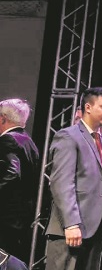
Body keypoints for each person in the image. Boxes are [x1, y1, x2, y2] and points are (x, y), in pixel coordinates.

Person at [45, 87, 102, 270]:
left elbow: (98, 183)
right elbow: (61, 183)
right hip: (70, 229)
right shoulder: (68, 136)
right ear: (88, 107)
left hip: (96, 227)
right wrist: (71, 224)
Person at [0, 98, 40, 263]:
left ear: (3, 118)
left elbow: (12, 173)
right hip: (21, 219)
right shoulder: (29, 143)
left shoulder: (7, 140)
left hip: (4, 217)